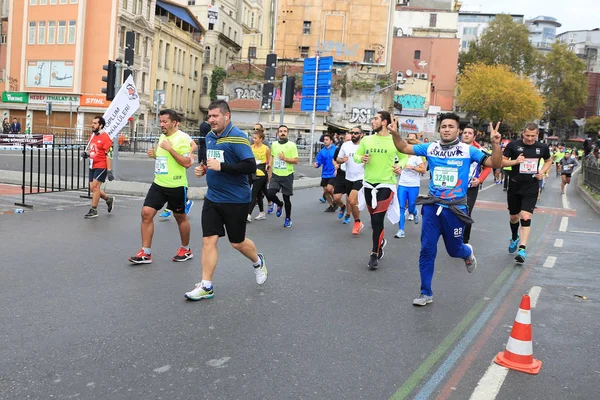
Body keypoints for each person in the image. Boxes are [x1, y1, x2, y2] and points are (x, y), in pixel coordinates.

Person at [390, 114, 503, 306]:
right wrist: (395, 134)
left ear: (458, 130)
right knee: (427, 249)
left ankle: (466, 252)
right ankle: (425, 292)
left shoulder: (468, 150)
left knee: (454, 250)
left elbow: (496, 163)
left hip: (455, 208)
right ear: (439, 129)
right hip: (433, 206)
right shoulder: (431, 148)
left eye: (451, 126)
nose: (447, 129)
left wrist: (495, 144)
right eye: (443, 126)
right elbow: (403, 147)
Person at [185, 100, 267, 300]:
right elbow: (209, 161)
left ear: (226, 116)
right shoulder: (210, 136)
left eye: (215, 116)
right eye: (209, 116)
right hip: (213, 197)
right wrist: (202, 169)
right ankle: (206, 285)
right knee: (208, 240)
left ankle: (258, 262)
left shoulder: (238, 138)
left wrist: (223, 168)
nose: (211, 120)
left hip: (236, 199)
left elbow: (249, 166)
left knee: (237, 242)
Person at [128, 109, 193, 264]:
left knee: (180, 217)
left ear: (175, 122)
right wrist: (155, 155)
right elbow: (164, 158)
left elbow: (187, 163)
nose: (162, 125)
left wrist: (170, 149)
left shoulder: (183, 138)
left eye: (165, 122)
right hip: (159, 183)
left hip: (176, 184)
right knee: (146, 213)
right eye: (161, 121)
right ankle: (146, 252)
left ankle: (186, 249)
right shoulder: (163, 136)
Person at [353, 111, 407, 269]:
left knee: (377, 220)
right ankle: (380, 242)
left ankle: (374, 254)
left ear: (384, 122)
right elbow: (356, 156)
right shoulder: (367, 140)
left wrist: (400, 166)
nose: (372, 122)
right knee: (374, 220)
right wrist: (361, 158)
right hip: (369, 184)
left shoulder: (394, 140)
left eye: (375, 119)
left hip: (386, 184)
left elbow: (404, 157)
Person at [502, 123, 553, 264]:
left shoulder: (542, 147)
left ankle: (522, 249)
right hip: (515, 185)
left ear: (537, 135)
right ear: (522, 133)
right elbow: (501, 161)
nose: (530, 138)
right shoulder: (513, 145)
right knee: (514, 217)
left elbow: (549, 160)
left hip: (531, 186)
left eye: (533, 136)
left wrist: (542, 172)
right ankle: (514, 236)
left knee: (525, 216)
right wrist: (515, 161)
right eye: (527, 135)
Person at [158, 124, 197, 219]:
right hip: (168, 169)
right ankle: (171, 208)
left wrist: (188, 152)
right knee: (169, 188)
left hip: (182, 162)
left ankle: (184, 203)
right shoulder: (166, 136)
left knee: (175, 188)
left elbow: (194, 145)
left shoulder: (184, 136)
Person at [461, 126, 492, 244]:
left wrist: (479, 180)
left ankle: (464, 240)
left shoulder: (480, 150)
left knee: (466, 212)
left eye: (469, 133)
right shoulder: (454, 148)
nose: (466, 135)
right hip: (455, 186)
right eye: (464, 133)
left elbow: (488, 167)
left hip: (471, 187)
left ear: (474, 137)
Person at [82, 116, 115, 219]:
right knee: (92, 188)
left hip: (101, 166)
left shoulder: (106, 137)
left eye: (95, 123)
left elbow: (109, 154)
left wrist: (109, 170)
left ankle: (94, 210)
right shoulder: (92, 136)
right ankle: (108, 199)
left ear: (101, 125)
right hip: (92, 165)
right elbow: (94, 151)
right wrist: (87, 154)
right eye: (92, 122)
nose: (93, 125)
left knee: (96, 187)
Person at [266, 125, 299, 228]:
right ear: (278, 133)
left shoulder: (292, 145)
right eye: (281, 131)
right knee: (270, 194)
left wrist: (285, 158)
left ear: (287, 133)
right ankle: (279, 204)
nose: (283, 133)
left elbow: (296, 160)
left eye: (285, 131)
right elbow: (272, 156)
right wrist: (269, 165)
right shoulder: (274, 144)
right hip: (276, 174)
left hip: (287, 175)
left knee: (287, 198)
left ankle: (288, 218)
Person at [395, 132, 426, 239]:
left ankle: (415, 212)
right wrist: (397, 170)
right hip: (402, 184)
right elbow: (395, 168)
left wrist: (412, 168)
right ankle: (401, 230)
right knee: (401, 207)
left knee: (411, 206)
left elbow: (423, 170)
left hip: (413, 185)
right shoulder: (400, 157)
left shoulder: (416, 157)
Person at [337, 126, 365, 235]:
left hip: (361, 177)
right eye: (352, 132)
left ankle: (359, 221)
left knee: (352, 200)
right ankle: (357, 221)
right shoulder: (345, 145)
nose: (353, 135)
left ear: (361, 135)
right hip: (348, 177)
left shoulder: (365, 146)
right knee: (352, 202)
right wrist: (342, 160)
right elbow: (338, 159)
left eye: (356, 133)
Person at [248, 127, 271, 221]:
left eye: (256, 138)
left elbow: (269, 161)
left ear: (261, 139)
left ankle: (248, 215)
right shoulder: (250, 147)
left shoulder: (266, 149)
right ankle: (262, 212)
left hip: (261, 173)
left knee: (254, 193)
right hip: (251, 171)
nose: (254, 139)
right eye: (253, 138)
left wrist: (269, 173)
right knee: (259, 194)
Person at [314, 134, 339, 212]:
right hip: (325, 173)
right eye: (324, 139)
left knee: (329, 189)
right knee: (326, 191)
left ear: (331, 141)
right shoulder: (322, 151)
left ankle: (337, 202)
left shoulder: (336, 149)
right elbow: (319, 160)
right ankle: (332, 206)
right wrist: (317, 164)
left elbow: (340, 160)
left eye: (327, 139)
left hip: (333, 173)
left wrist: (337, 169)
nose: (325, 141)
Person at [333, 133, 352, 223]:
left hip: (351, 176)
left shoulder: (357, 149)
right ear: (344, 141)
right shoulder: (340, 149)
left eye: (350, 140)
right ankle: (342, 206)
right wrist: (336, 165)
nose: (349, 142)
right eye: (347, 140)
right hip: (341, 175)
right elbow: (335, 159)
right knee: (336, 197)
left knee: (349, 198)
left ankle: (348, 215)